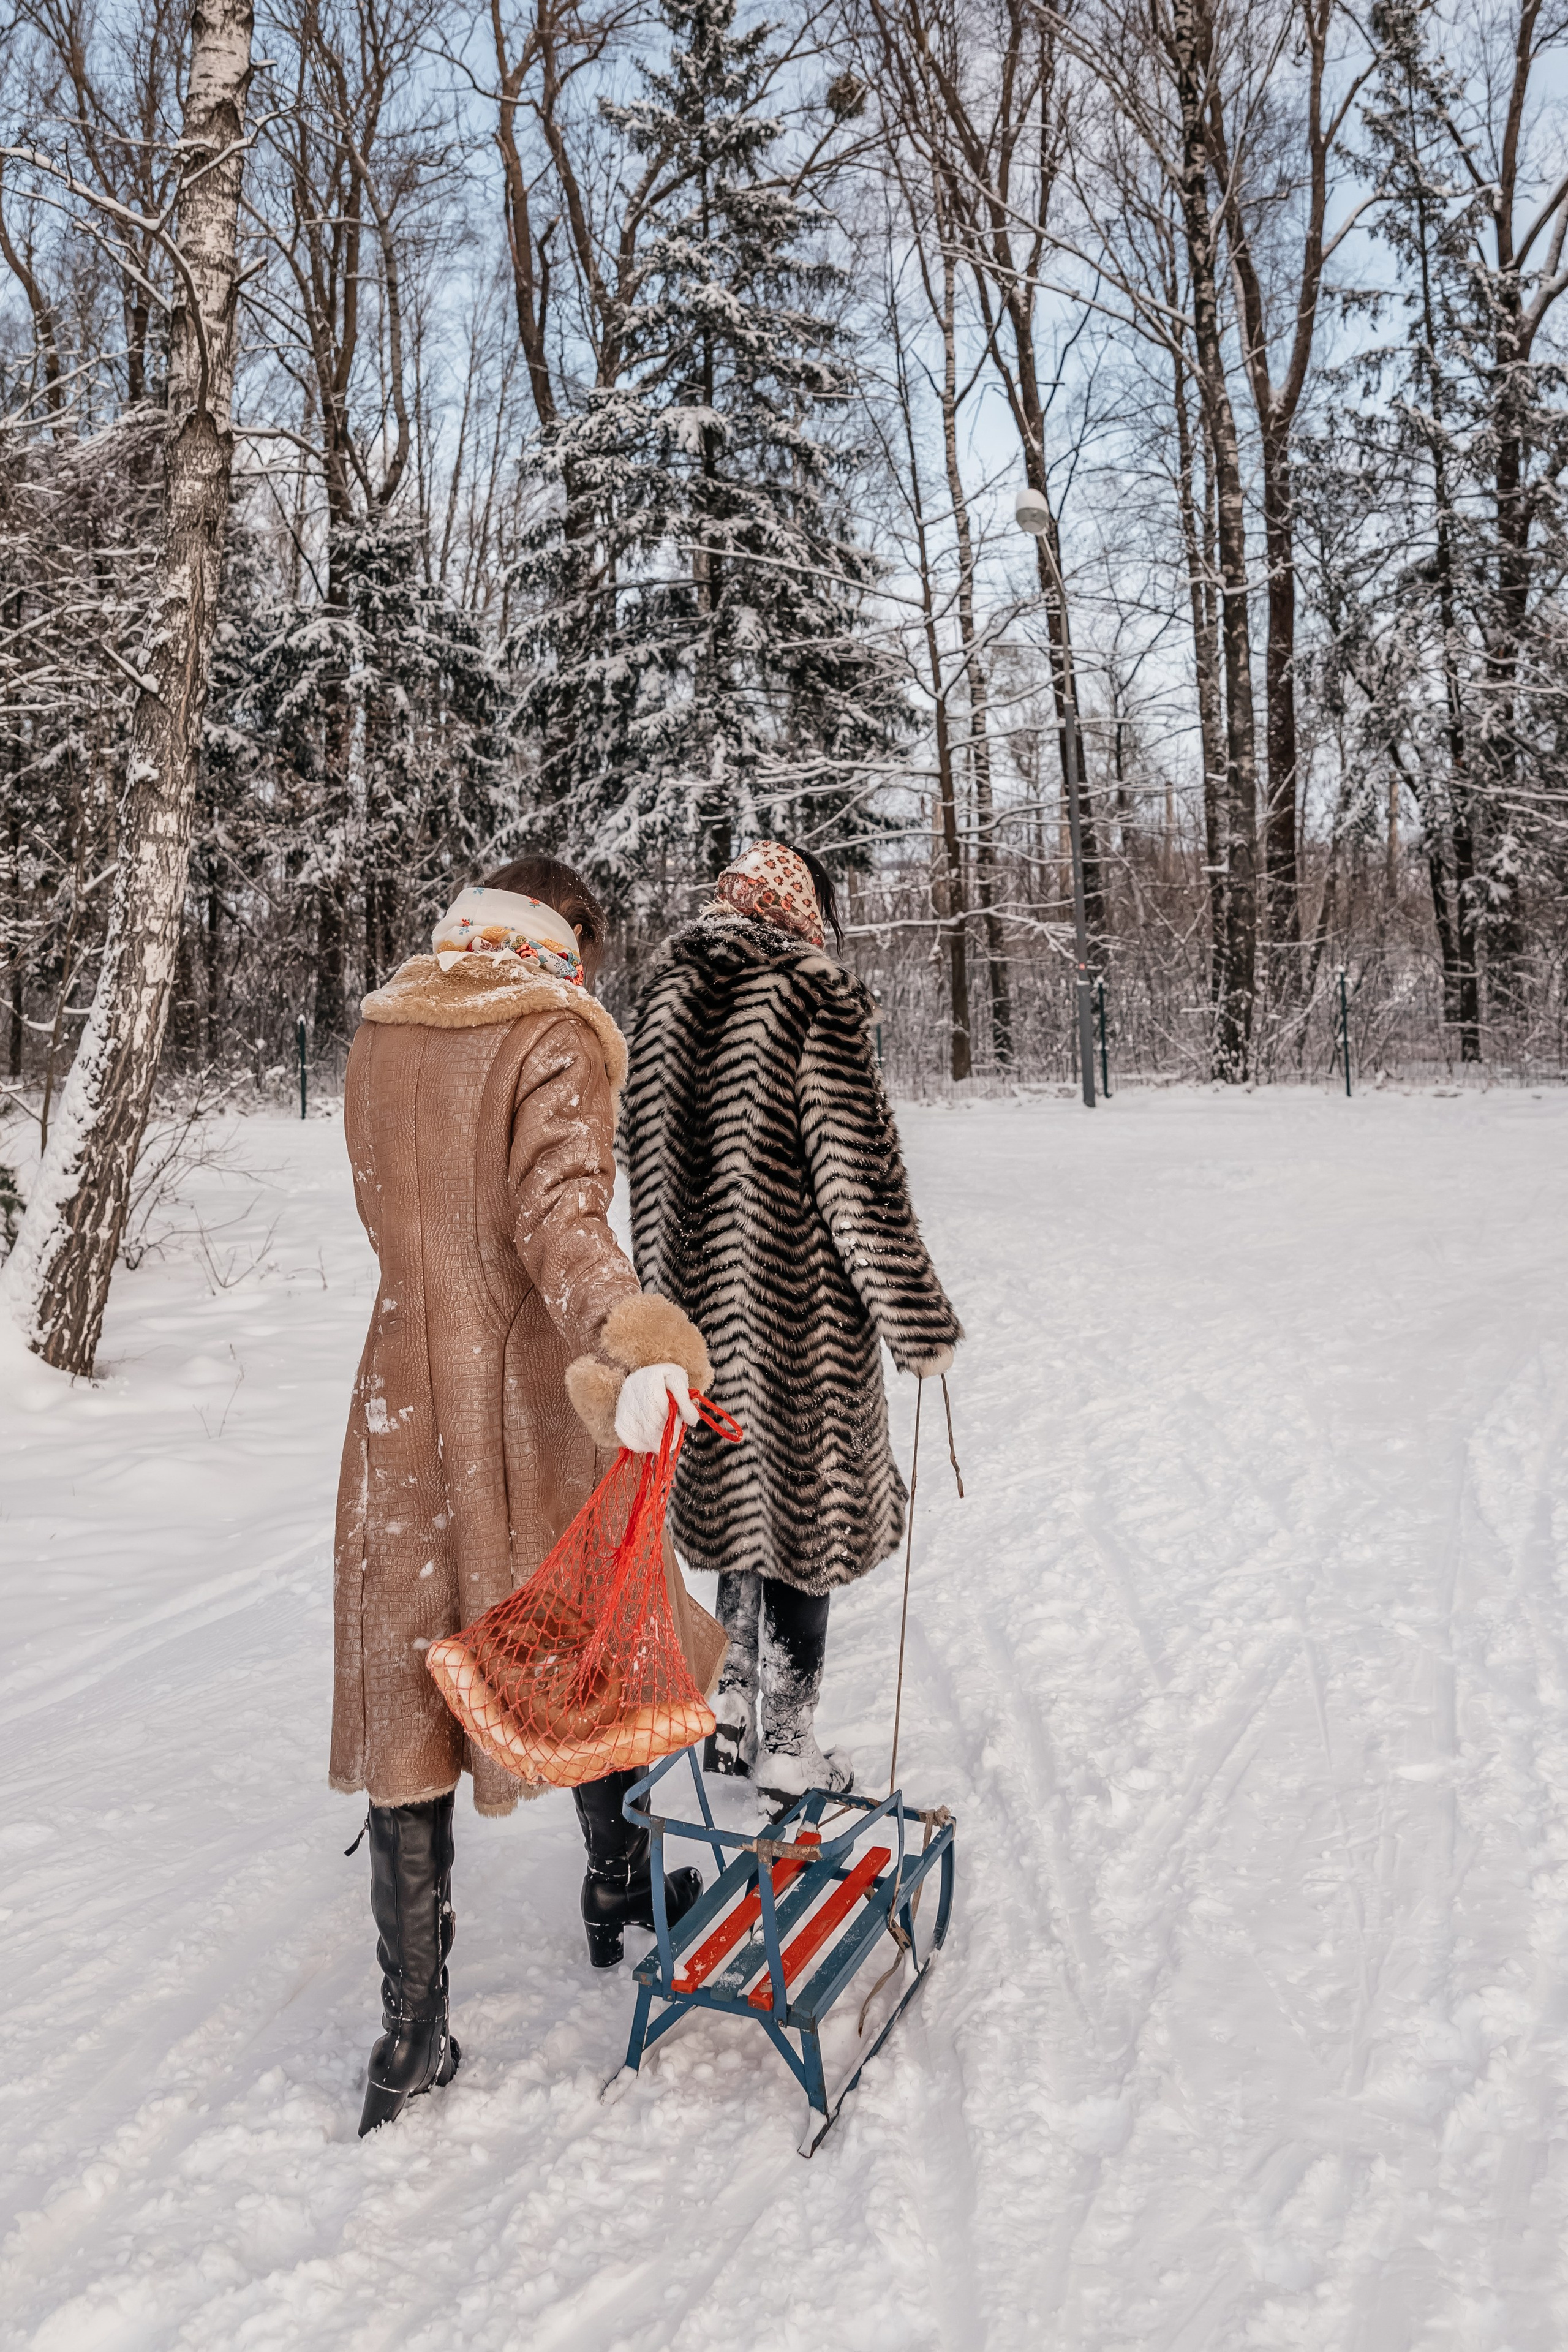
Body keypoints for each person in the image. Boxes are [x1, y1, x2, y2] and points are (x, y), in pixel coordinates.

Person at [331, 854, 723, 2136]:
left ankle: (408, 2035)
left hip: (400, 1399)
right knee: (590, 1627)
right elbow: (563, 1219)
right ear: (576, 936)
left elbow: (399, 1218)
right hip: (522, 1403)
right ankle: (617, 1885)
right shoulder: (551, 1027)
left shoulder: (385, 1023)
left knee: (409, 1675)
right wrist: (634, 1337)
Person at [622, 841, 963, 1805]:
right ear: (803, 909)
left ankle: (731, 1712)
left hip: (694, 1329)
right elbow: (861, 1188)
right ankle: (790, 1746)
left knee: (739, 1515)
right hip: (797, 1330)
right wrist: (918, 1322)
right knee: (804, 1524)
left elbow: (638, 1172)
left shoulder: (665, 1001)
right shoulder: (812, 997)